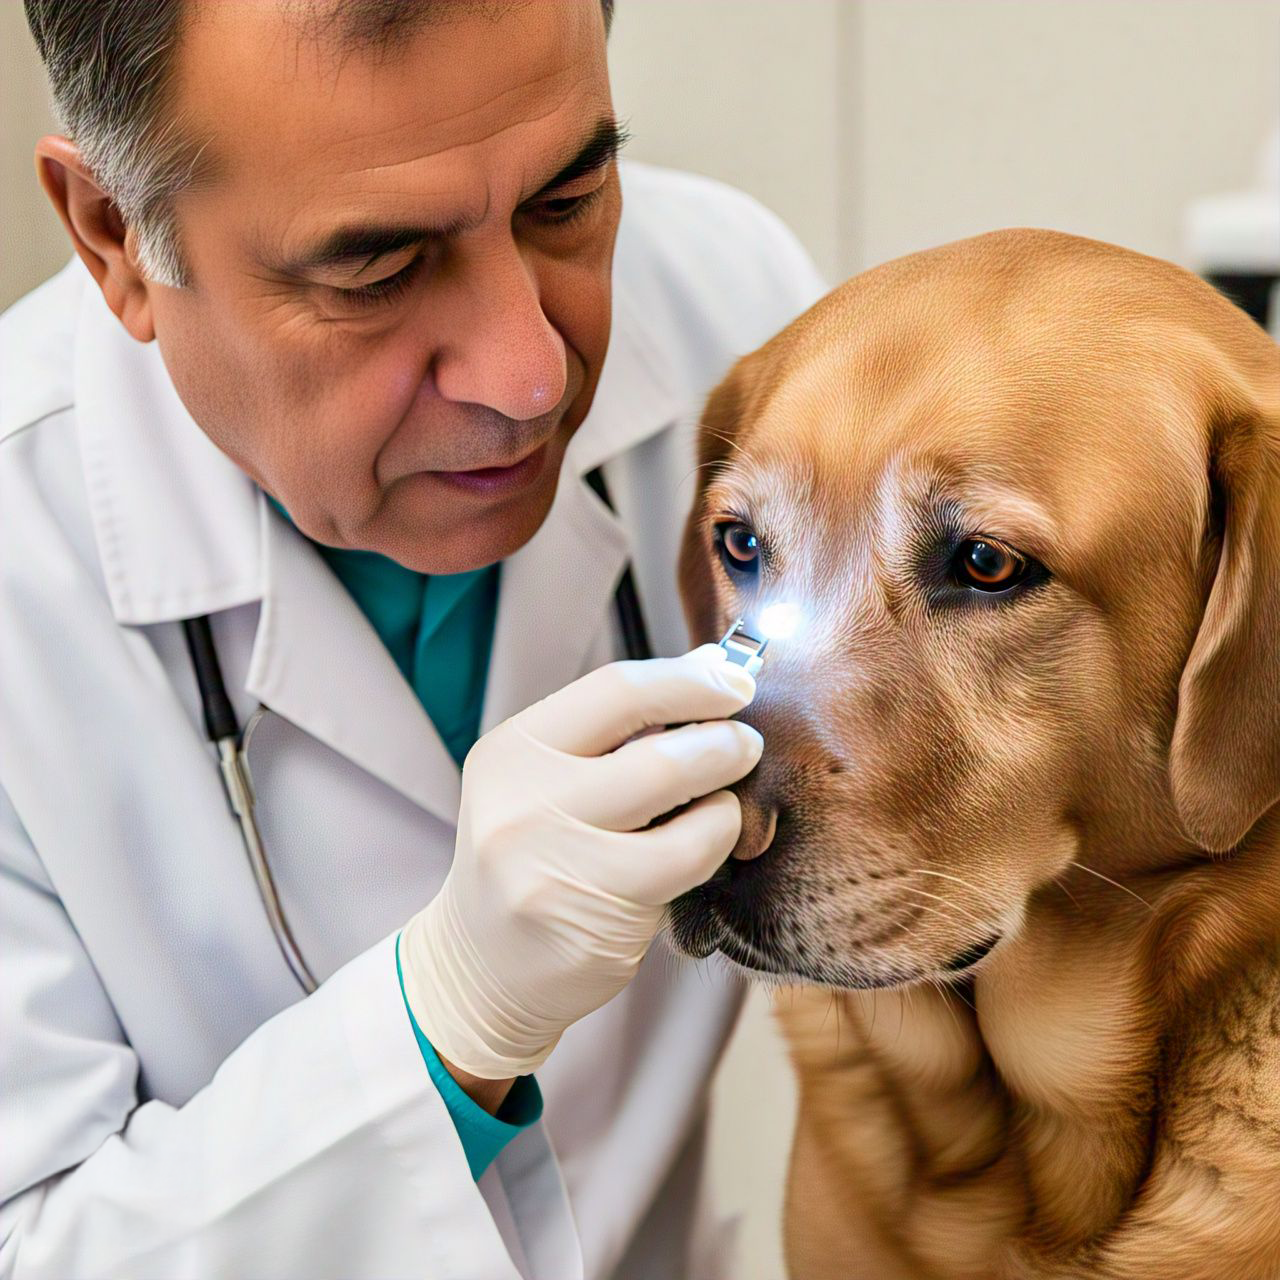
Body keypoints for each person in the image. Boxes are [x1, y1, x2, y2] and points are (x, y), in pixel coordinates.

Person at [0, 1, 826, 1276]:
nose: (530, 376)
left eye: (565, 201)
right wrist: (448, 1018)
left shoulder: (734, 309)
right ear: (114, 235)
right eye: (376, 271)